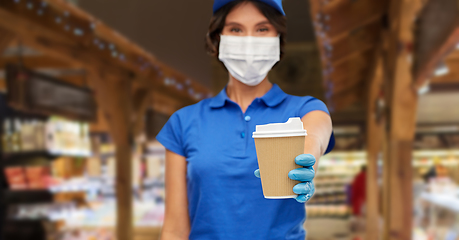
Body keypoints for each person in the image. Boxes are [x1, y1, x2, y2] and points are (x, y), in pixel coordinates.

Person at [156, 1, 334, 239]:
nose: (249, 40)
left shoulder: (303, 109)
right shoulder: (183, 122)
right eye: (236, 29)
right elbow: (175, 230)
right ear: (218, 38)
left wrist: (307, 157)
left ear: (277, 37)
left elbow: (316, 130)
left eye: (262, 29)